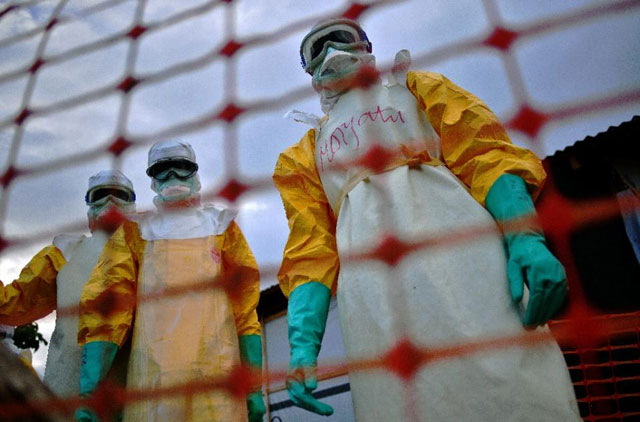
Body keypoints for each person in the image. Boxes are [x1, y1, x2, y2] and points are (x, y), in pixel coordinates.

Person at [273, 18, 581, 421]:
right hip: (373, 295)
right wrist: (302, 347)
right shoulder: (303, 155)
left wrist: (525, 238)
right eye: (317, 49)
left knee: (512, 378)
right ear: (310, 73)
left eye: (341, 38)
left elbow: (485, 157)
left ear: (366, 47)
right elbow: (309, 251)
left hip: (466, 260)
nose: (332, 50)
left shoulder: (418, 90)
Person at [76, 140, 265, 422]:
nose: (172, 177)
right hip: (153, 382)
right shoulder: (136, 232)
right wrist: (89, 393)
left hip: (218, 384)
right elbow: (109, 310)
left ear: (195, 173)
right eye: (162, 170)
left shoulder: (222, 227)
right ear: (152, 180)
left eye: (181, 168)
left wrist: (253, 389)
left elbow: (245, 310)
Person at [0, 170, 136, 397]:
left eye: (119, 195)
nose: (110, 202)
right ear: (89, 207)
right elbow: (15, 302)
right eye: (101, 195)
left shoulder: (153, 250)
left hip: (135, 391)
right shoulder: (64, 253)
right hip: (68, 387)